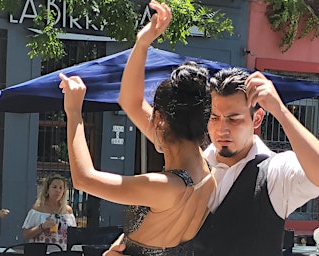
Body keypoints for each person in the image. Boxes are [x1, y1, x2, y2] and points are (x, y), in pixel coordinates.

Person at [105, 69, 319, 255]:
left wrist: (280, 110)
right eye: (214, 118)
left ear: (256, 118)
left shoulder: (274, 172)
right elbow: (133, 104)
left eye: (233, 119)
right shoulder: (195, 163)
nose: (221, 129)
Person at [59, 1, 215, 254]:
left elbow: (84, 179)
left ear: (161, 120)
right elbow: (130, 101)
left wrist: (74, 112)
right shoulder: (206, 173)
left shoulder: (166, 186)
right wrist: (142, 44)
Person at [22, 173, 76, 251]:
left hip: (62, 252)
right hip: (42, 252)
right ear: (47, 190)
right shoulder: (38, 208)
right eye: (54, 187)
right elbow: (26, 234)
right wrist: (42, 227)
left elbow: (74, 235)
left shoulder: (68, 211)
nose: (58, 190)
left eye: (61, 188)